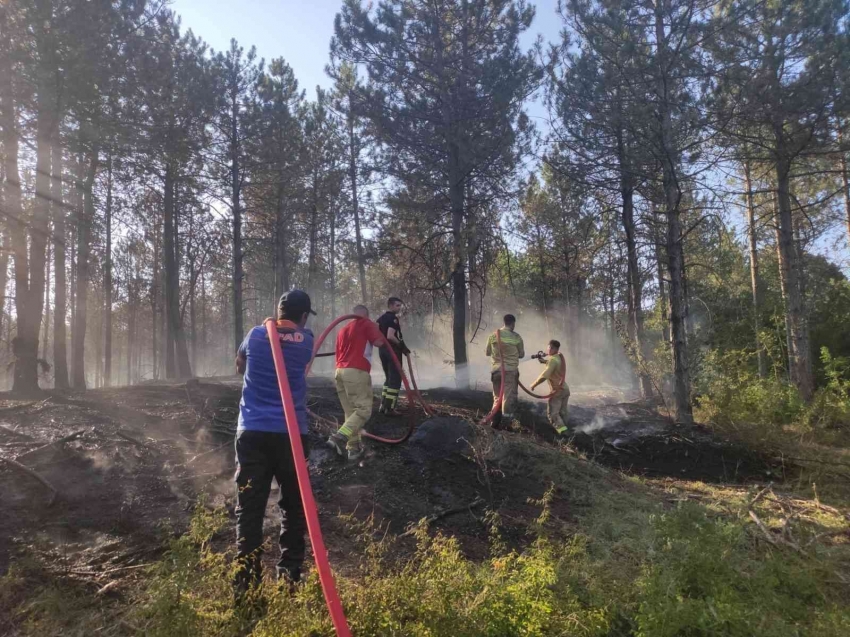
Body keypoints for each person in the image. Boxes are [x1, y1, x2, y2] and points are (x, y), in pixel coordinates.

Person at [233, 289, 316, 594]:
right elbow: (300, 358)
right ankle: (290, 576)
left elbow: (239, 364)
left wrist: (267, 330)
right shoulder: (306, 341)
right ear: (304, 316)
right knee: (294, 506)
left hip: (252, 432)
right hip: (291, 434)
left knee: (250, 507)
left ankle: (245, 585)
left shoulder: (255, 335)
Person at [326, 305, 387, 461]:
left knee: (351, 412)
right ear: (366, 315)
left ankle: (352, 449)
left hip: (339, 372)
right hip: (356, 371)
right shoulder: (366, 323)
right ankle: (339, 437)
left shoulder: (342, 330)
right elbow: (380, 342)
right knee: (364, 410)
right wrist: (379, 330)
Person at [485, 314, 524, 427]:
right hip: (510, 372)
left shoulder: (493, 335)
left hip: (496, 371)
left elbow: (487, 352)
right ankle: (506, 423)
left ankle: (493, 420)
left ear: (504, 322)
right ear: (513, 323)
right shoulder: (516, 337)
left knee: (497, 397)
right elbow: (521, 354)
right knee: (508, 397)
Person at [376, 297, 409, 415]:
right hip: (392, 351)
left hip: (382, 351)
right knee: (395, 380)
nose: (399, 308)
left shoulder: (380, 319)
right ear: (390, 305)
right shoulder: (393, 319)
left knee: (388, 378)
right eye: (397, 305)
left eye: (400, 305)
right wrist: (401, 346)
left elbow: (377, 334)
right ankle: (390, 409)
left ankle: (383, 406)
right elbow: (390, 335)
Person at [530, 339, 570, 436]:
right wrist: (544, 361)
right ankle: (567, 428)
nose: (548, 349)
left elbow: (544, 376)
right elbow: (554, 363)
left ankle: (564, 434)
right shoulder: (558, 357)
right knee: (562, 412)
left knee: (552, 414)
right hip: (565, 390)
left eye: (549, 347)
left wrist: (533, 384)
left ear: (552, 348)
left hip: (557, 391)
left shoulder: (552, 360)